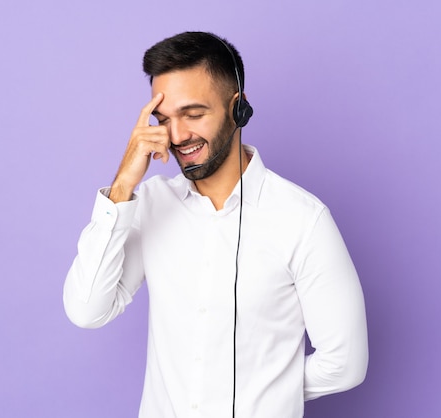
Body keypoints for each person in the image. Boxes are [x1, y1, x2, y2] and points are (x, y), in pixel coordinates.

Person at [63, 31, 368, 418]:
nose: (177, 136)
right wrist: (123, 184)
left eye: (193, 114)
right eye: (164, 119)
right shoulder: (151, 203)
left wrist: (263, 393)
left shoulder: (302, 219)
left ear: (238, 108)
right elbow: (87, 310)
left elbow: (345, 364)